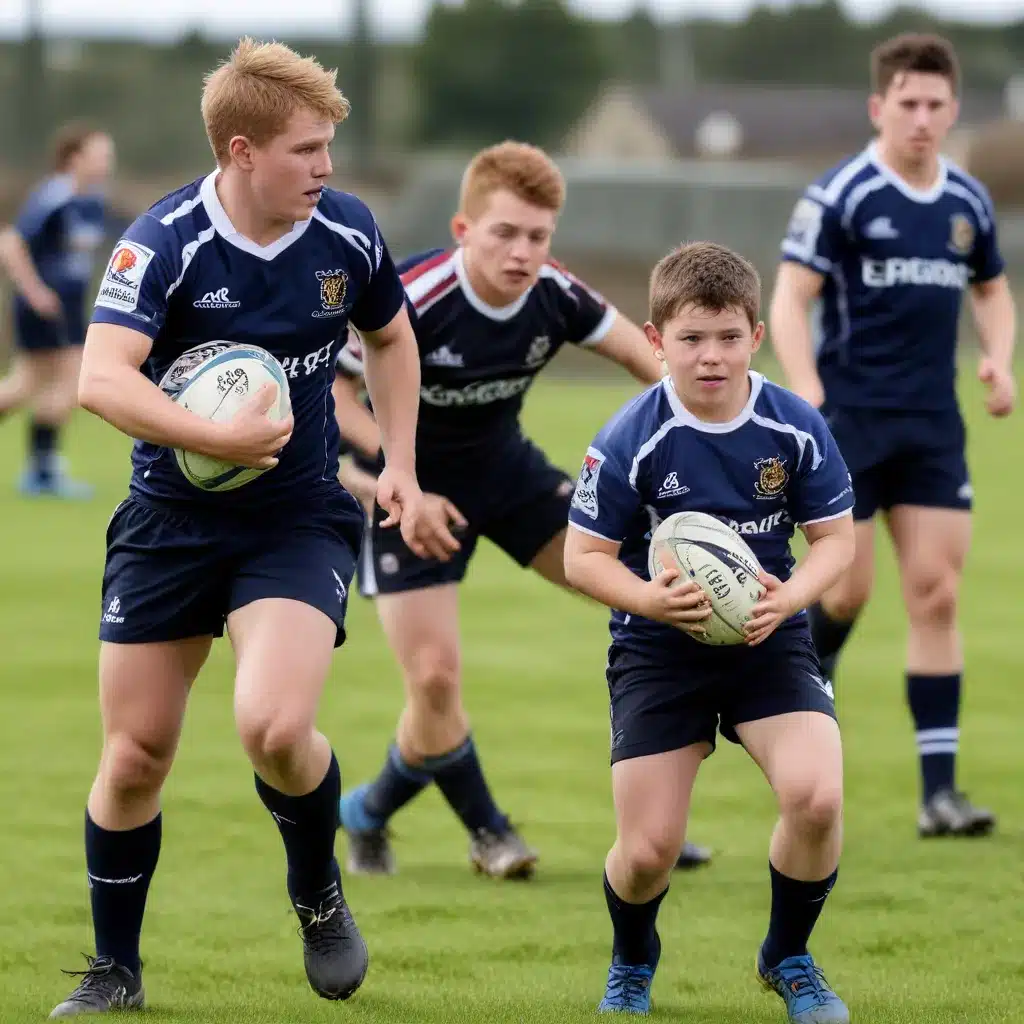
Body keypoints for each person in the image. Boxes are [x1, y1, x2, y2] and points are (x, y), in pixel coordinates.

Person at [47, 39, 451, 1017]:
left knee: (274, 727)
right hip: (169, 523)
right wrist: (212, 433)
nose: (325, 168)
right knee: (137, 753)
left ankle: (315, 889)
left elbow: (392, 340)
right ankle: (115, 970)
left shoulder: (346, 234)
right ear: (241, 150)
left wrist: (397, 460)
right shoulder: (165, 241)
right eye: (307, 149)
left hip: (297, 519)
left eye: (328, 148)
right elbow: (101, 378)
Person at [334, 141, 711, 879]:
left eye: (538, 236)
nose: (522, 251)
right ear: (463, 229)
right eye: (504, 233)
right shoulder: (413, 294)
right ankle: (488, 831)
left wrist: (705, 421)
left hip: (506, 473)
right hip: (406, 491)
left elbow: (647, 357)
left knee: (652, 601)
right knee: (435, 681)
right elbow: (332, 395)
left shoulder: (556, 293)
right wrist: (403, 477)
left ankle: (650, 825)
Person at [565, 242, 855, 1020]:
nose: (712, 356)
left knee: (817, 798)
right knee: (649, 852)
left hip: (768, 634)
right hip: (660, 648)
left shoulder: (792, 426)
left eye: (728, 337)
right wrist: (650, 601)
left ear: (756, 336)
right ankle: (632, 960)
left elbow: (837, 541)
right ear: (656, 340)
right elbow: (581, 558)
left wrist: (788, 599)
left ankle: (788, 955)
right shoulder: (632, 436)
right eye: (691, 339)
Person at [769, 33, 1015, 838]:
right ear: (880, 107)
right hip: (849, 426)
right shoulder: (842, 193)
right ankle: (795, 693)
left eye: (935, 105)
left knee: (937, 594)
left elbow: (993, 291)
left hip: (933, 428)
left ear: (952, 111)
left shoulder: (967, 203)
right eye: (906, 103)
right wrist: (804, 385)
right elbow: (787, 299)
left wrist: (1000, 360)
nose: (920, 118)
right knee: (844, 590)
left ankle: (939, 796)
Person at [0, 122, 114, 497]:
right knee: (70, 378)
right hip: (44, 308)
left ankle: (42, 470)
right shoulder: (54, 196)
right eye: (99, 154)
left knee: (28, 384)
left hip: (67, 310)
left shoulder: (91, 201)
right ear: (74, 157)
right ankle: (43, 470)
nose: (106, 162)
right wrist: (35, 292)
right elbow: (11, 244)